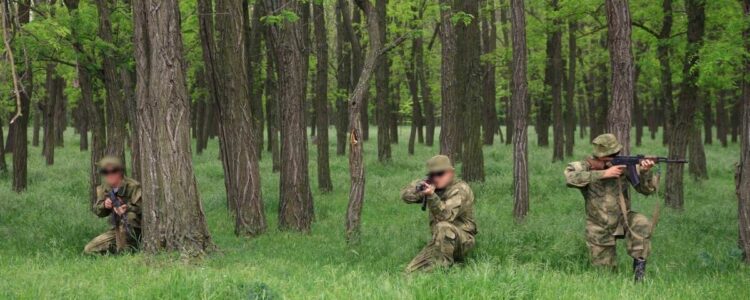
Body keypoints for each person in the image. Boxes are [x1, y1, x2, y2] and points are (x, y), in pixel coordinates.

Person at [564, 134, 658, 282]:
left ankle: (639, 277)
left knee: (642, 223)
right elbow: (569, 177)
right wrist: (603, 174)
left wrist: (646, 171)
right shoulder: (586, 165)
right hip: (599, 226)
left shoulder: (625, 167)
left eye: (616, 154)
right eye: (610, 156)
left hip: (623, 219)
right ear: (599, 156)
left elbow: (646, 190)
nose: (614, 157)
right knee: (605, 277)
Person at [400, 155, 477, 273]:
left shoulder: (460, 190)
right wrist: (419, 186)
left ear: (450, 172)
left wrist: (431, 196)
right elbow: (406, 197)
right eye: (432, 175)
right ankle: (441, 265)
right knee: (410, 273)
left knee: (443, 227)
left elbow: (446, 216)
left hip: (462, 241)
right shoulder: (434, 187)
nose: (436, 178)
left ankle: (443, 269)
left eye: (440, 174)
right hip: (440, 240)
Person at [83, 156, 143, 254]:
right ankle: (118, 249)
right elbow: (98, 212)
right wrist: (105, 205)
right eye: (106, 172)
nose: (110, 175)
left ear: (120, 171)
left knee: (129, 217)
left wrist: (126, 208)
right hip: (116, 228)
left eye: (113, 171)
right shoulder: (105, 188)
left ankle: (130, 249)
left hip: (136, 229)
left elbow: (143, 209)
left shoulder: (133, 186)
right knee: (89, 249)